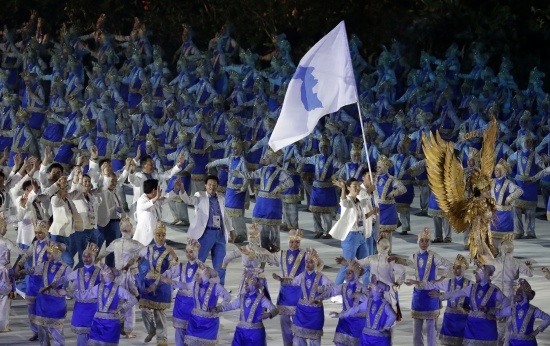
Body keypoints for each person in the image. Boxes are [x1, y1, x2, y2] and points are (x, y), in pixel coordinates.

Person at [388, 227, 452, 346]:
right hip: (418, 294)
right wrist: (396, 259)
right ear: (418, 242)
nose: (424, 243)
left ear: (429, 242)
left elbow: (449, 265)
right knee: (416, 326)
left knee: (431, 326)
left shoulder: (434, 256)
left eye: (426, 241)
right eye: (422, 241)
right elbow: (407, 262)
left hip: (430, 293)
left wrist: (441, 278)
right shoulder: (415, 255)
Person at [434, 260, 510, 346]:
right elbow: (457, 293)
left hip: (487, 330)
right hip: (471, 329)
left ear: (483, 274)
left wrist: (496, 313)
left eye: (476, 273)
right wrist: (441, 296)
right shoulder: (472, 287)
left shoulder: (495, 290)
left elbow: (508, 306)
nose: (475, 274)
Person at [234, 147, 293, 251]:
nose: (265, 158)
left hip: (273, 202)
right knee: (263, 226)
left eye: (268, 157)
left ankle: (275, 247)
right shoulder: (263, 169)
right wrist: (237, 173)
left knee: (274, 226)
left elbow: (290, 183)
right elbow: (250, 175)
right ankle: (264, 246)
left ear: (274, 158)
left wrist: (279, 188)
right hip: (262, 201)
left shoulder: (280, 171)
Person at [180, 175, 235, 285]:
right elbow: (188, 200)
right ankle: (191, 286)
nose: (212, 187)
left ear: (217, 186)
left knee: (221, 264)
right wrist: (182, 189)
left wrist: (231, 230)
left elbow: (225, 216)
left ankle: (219, 288)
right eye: (210, 185)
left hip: (219, 234)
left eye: (214, 185)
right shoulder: (200, 196)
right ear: (205, 185)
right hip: (204, 234)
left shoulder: (221, 199)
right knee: (198, 261)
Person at [42, 242, 101, 346]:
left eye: (89, 256)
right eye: (84, 256)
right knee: (81, 337)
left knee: (95, 335)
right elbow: (64, 278)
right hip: (81, 309)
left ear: (93, 257)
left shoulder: (100, 272)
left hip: (94, 307)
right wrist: (53, 285)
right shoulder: (79, 271)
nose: (86, 259)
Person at [405, 254, 471, 346]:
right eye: (454, 268)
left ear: (463, 269)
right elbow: (431, 285)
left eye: (458, 268)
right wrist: (415, 282)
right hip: (450, 320)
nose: (455, 270)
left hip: (463, 321)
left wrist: (440, 295)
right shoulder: (448, 282)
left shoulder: (470, 284)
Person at [273, 248, 334, 346]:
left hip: (315, 313)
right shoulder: (301, 276)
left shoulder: (320, 277)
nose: (308, 264)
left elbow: (332, 287)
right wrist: (281, 279)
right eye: (306, 262)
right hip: (301, 312)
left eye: (311, 262)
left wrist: (320, 293)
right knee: (299, 337)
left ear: (314, 264)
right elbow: (292, 282)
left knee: (314, 339)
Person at [160, 262, 231, 346]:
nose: (197, 277)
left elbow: (227, 297)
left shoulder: (216, 287)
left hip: (209, 322)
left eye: (199, 275)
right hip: (195, 321)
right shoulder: (194, 285)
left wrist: (219, 308)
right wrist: (167, 280)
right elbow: (182, 285)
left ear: (205, 276)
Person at [95, 217, 144, 338]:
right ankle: (128, 329)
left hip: (116, 276)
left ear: (120, 229)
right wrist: (138, 259)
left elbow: (103, 253)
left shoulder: (115, 243)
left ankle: (117, 323)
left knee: (116, 300)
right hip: (129, 277)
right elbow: (145, 253)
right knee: (130, 300)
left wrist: (97, 260)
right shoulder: (135, 244)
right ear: (131, 229)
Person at [70, 263, 139, 346]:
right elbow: (84, 294)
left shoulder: (118, 289)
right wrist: (68, 293)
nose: (100, 278)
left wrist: (121, 308)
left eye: (102, 276)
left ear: (108, 276)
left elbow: (133, 299)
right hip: (97, 322)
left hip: (111, 324)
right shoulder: (98, 287)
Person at [338, 233, 406, 314]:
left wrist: (346, 262)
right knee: (388, 316)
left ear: (378, 246)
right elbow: (403, 271)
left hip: (374, 291)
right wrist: (397, 284)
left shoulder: (371, 259)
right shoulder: (391, 261)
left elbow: (357, 263)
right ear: (388, 248)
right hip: (388, 292)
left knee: (374, 316)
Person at [20, 241, 71, 346]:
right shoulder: (45, 264)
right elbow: (34, 269)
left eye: (50, 253)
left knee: (56, 329)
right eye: (47, 253)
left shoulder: (66, 268)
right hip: (43, 301)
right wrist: (22, 272)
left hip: (56, 302)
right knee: (41, 327)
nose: (48, 255)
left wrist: (66, 291)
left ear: (57, 253)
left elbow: (76, 283)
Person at [135, 222, 178, 345]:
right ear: (154, 235)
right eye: (158, 235)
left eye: (163, 235)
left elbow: (173, 268)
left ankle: (162, 339)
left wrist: (166, 278)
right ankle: (151, 329)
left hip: (162, 285)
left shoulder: (169, 251)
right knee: (144, 310)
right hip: (148, 283)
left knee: (159, 313)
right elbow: (137, 256)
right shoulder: (148, 249)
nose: (161, 237)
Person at [330, 178, 378, 285]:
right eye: (354, 186)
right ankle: (336, 290)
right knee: (348, 265)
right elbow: (343, 202)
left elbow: (362, 217)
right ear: (348, 188)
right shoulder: (348, 201)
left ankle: (366, 289)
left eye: (358, 185)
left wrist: (372, 212)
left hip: (360, 236)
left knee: (366, 264)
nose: (357, 188)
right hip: (351, 237)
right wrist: (342, 189)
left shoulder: (358, 203)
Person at [294, 135, 343, 238]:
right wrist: (295, 151)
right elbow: (303, 160)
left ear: (328, 148)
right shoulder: (315, 157)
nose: (322, 149)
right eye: (321, 147)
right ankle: (318, 230)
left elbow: (342, 167)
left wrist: (334, 176)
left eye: (325, 147)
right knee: (315, 211)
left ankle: (328, 231)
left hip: (327, 189)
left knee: (326, 212)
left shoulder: (331, 159)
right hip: (316, 189)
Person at [215, 268, 279, 346]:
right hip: (240, 332)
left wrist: (269, 314)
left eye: (247, 284)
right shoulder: (242, 297)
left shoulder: (261, 299)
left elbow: (275, 309)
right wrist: (218, 308)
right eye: (244, 284)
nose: (244, 286)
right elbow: (232, 306)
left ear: (253, 285)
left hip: (255, 334)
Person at [331, 275, 397, 346]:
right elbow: (356, 309)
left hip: (380, 339)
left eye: (370, 288)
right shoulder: (369, 302)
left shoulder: (385, 304)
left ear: (376, 291)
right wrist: (341, 315)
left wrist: (386, 326)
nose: (368, 290)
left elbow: (393, 315)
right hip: (367, 337)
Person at [160, 238, 200, 345]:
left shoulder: (202, 269)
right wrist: (158, 277)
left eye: (191, 251)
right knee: (179, 333)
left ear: (196, 252)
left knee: (193, 334)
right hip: (181, 305)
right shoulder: (182, 266)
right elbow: (168, 274)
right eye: (186, 251)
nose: (188, 254)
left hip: (194, 305)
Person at [493, 279, 550, 346]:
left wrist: (537, 331)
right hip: (513, 343)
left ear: (524, 295)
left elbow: (548, 318)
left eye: (518, 294)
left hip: (529, 343)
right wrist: (488, 309)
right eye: (516, 294)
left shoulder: (533, 310)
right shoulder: (512, 308)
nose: (515, 296)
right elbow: (500, 312)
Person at [325, 260, 368, 346]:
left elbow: (368, 302)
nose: (347, 275)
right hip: (344, 320)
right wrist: (320, 295)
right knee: (340, 342)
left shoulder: (363, 288)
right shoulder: (343, 286)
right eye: (347, 273)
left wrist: (358, 295)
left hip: (358, 322)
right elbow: (332, 291)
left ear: (356, 274)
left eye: (350, 273)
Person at [133, 178, 178, 246]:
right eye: (158, 189)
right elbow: (147, 205)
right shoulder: (141, 200)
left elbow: (164, 199)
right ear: (154, 191)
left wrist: (175, 190)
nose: (159, 191)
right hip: (145, 236)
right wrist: (156, 197)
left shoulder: (153, 199)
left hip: (155, 233)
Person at [491, 159, 523, 248]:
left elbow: (519, 191)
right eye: (495, 170)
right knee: (493, 237)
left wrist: (509, 198)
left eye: (498, 170)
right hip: (494, 214)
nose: (495, 172)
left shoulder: (508, 183)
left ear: (502, 171)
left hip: (505, 215)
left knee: (505, 238)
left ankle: (505, 253)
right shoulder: (492, 182)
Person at [0, 217, 23, 333]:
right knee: (5, 299)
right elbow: (20, 252)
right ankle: (2, 325)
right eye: (4, 228)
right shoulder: (6, 242)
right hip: (4, 273)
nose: (5, 230)